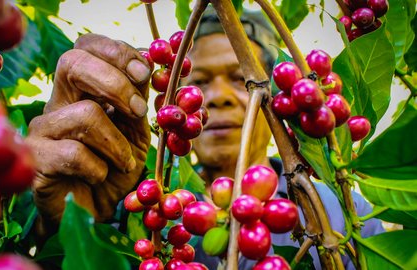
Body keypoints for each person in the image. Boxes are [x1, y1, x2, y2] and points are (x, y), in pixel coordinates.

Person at [25, 5, 383, 269]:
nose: (221, 96)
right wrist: (70, 226)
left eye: (240, 78)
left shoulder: (336, 209)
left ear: (276, 99)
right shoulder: (143, 217)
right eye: (201, 81)